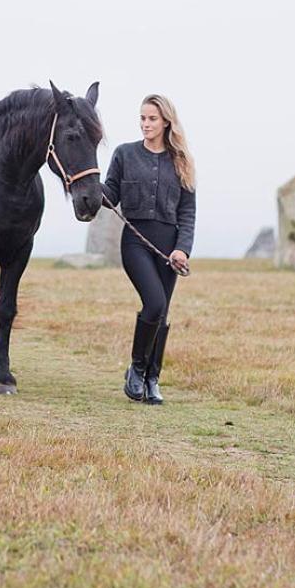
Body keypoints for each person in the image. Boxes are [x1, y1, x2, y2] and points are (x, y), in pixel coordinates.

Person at [102, 93, 196, 405]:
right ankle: (137, 370)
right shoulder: (124, 154)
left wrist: (182, 249)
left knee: (163, 313)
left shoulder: (181, 161)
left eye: (152, 119)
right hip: (135, 242)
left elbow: (187, 212)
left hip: (169, 248)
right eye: (142, 118)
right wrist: (88, 184)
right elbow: (110, 194)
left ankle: (152, 379)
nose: (145, 124)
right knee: (154, 303)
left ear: (166, 121)